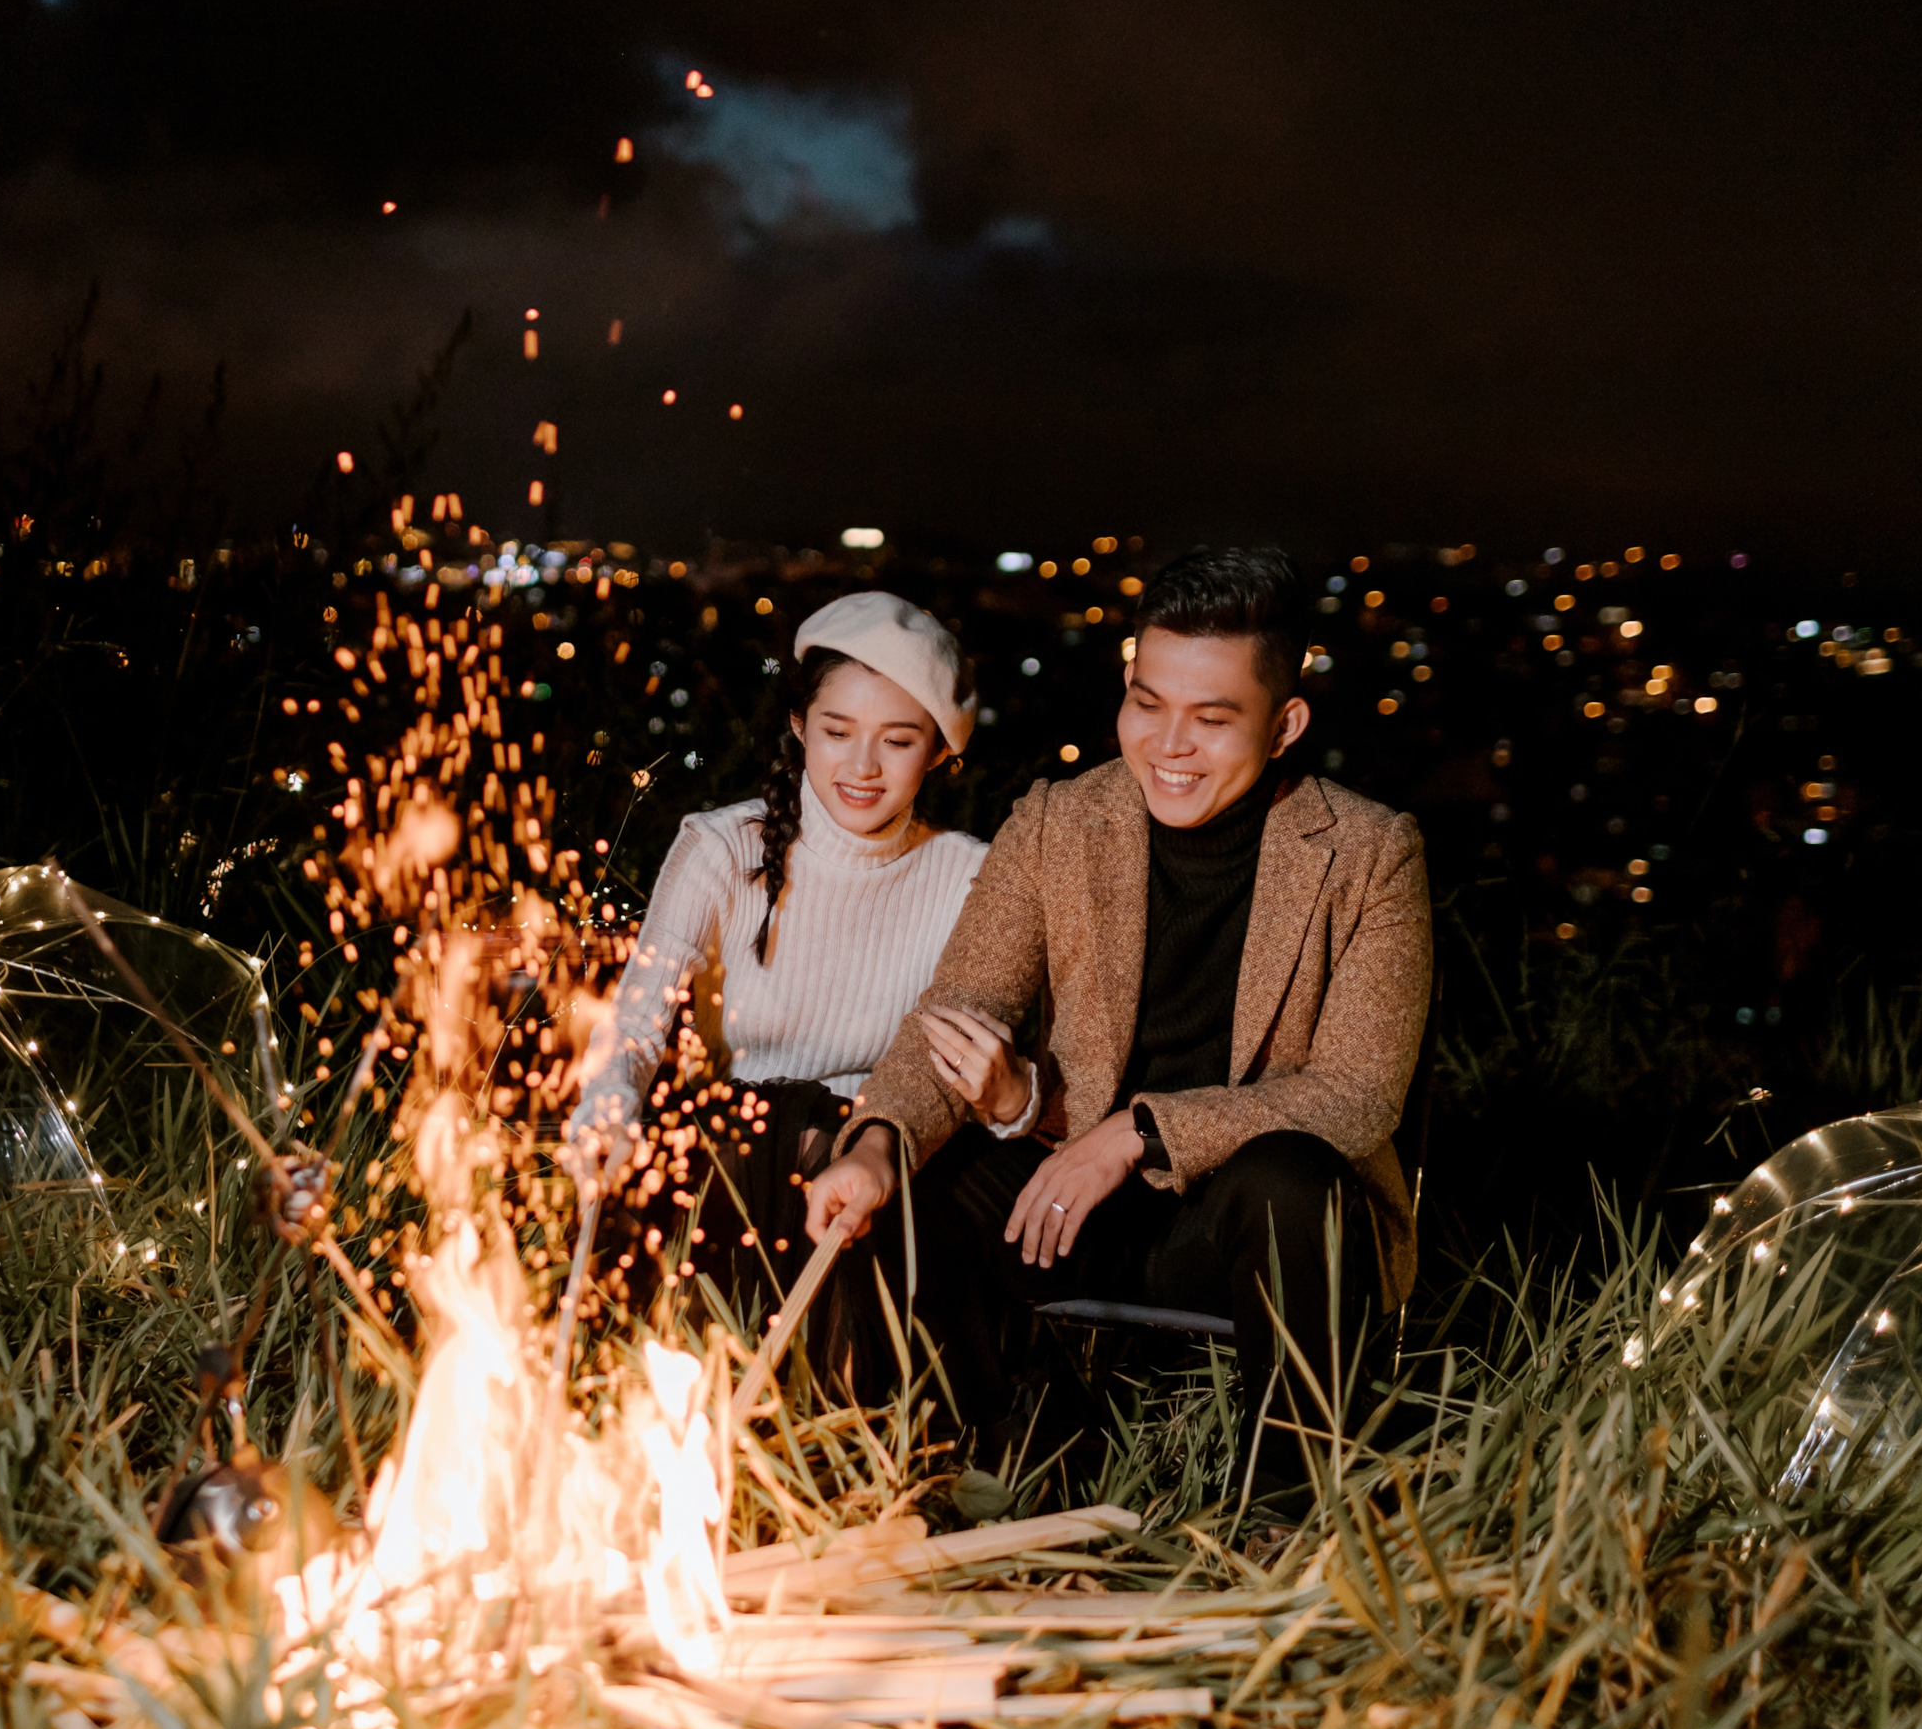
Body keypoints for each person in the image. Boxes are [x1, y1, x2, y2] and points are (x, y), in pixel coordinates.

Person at [802, 546, 1430, 1517]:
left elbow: (1357, 1092)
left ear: (1285, 724)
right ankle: (941, 1487)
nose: (1168, 745)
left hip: (1241, 1227)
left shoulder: (1370, 851)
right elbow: (961, 1007)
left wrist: (1136, 1131)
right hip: (1069, 1209)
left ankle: (1283, 1517)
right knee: (913, 1189)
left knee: (1292, 1177)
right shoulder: (1062, 818)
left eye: (1212, 719)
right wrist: (881, 1144)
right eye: (1148, 703)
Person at [567, 591, 1021, 1375]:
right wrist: (607, 1110)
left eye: (899, 741)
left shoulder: (971, 874)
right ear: (800, 727)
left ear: (940, 754)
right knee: (786, 1115)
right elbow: (637, 1023)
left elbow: (975, 1062)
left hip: (895, 1154)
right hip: (737, 1153)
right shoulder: (720, 848)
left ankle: (861, 1428)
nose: (862, 767)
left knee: (852, 1140)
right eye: (838, 733)